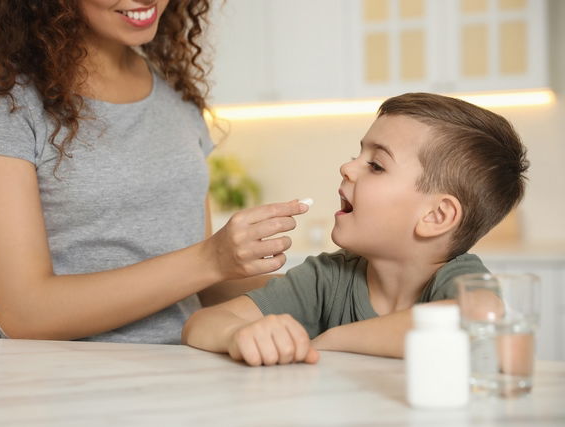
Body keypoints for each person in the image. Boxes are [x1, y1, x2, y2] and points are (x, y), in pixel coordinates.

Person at [0, 0, 309, 343]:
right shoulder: (1, 95)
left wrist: (334, 290)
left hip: (182, 382)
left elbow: (205, 286)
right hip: (53, 396)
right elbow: (24, 313)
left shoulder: (174, 92)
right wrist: (210, 259)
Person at [182, 92, 529, 366]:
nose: (347, 167)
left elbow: (479, 316)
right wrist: (237, 335)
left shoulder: (458, 277)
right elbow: (200, 325)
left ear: (437, 216)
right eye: (357, 154)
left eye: (376, 165)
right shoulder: (326, 278)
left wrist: (333, 340)